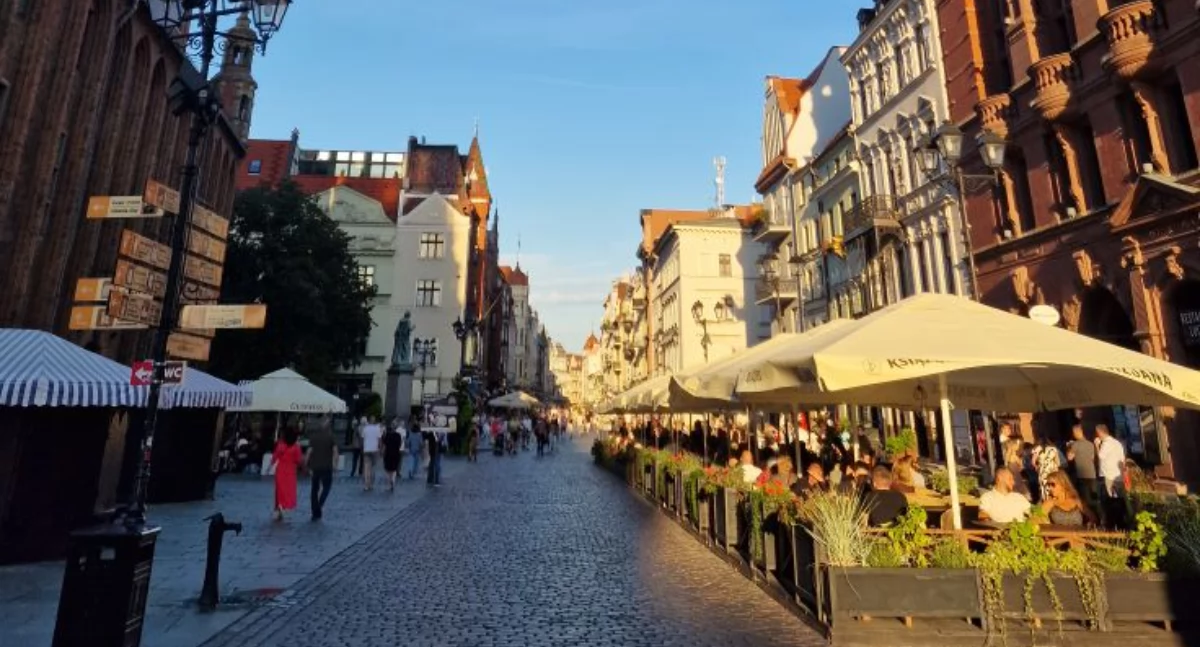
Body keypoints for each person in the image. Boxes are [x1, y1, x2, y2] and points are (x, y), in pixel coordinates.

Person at [305, 417, 338, 521]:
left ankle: (315, 512)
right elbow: (335, 452)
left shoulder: (313, 437)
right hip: (327, 466)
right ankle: (320, 504)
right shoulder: (331, 436)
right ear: (328, 426)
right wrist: (335, 465)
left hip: (315, 467)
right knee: (327, 487)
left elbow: (309, 452)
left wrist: (306, 464)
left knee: (314, 489)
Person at [1095, 424, 1127, 528]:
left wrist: (1096, 445)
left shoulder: (1106, 443)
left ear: (1100, 432)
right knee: (1120, 500)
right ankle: (1122, 521)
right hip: (1119, 475)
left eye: (1097, 433)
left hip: (1109, 475)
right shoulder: (1117, 443)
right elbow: (1123, 459)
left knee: (1111, 501)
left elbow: (1100, 456)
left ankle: (1113, 523)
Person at [1066, 424, 1100, 519]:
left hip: (1082, 475)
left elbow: (1069, 458)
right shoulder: (1090, 444)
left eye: (1073, 433)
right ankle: (1099, 515)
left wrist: (1069, 447)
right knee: (1095, 496)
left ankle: (1090, 517)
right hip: (1092, 473)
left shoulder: (1075, 444)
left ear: (1076, 433)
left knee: (1085, 499)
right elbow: (1093, 458)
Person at [270, 428, 304, 521]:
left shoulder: (281, 445)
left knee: (279, 490)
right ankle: (283, 507)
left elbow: (274, 457)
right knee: (288, 491)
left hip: (280, 470)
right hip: (290, 471)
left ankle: (279, 507)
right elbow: (299, 460)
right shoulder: (296, 447)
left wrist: (270, 466)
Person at [360, 416, 383, 491]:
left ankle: (366, 485)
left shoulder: (365, 428)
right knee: (373, 468)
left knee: (366, 468)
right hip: (374, 450)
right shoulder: (377, 428)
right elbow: (379, 440)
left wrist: (363, 447)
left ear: (369, 421)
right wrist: (380, 449)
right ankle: (371, 484)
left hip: (366, 449)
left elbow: (362, 439)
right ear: (375, 421)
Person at [381, 422, 403, 492]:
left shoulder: (387, 435)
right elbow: (400, 444)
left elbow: (384, 445)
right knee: (394, 469)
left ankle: (389, 482)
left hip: (388, 453)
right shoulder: (398, 435)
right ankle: (393, 480)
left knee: (387, 469)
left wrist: (382, 452)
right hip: (396, 453)